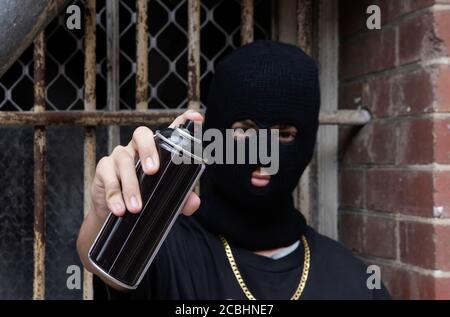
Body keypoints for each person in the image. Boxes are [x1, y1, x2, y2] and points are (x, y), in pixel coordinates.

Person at [77, 40, 391, 300]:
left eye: (284, 134)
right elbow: (105, 268)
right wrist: (109, 220)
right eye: (245, 131)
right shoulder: (159, 249)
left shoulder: (355, 282)